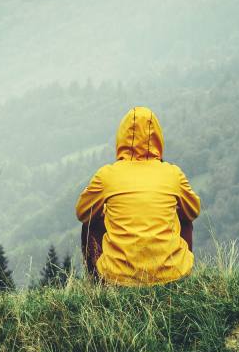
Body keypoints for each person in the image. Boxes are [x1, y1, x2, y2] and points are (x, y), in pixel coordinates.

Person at [76, 107, 201, 286]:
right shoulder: (173, 174)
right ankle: (181, 275)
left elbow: (82, 213)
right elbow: (193, 212)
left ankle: (99, 284)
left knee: (90, 222)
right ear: (158, 137)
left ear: (121, 137)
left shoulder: (107, 175)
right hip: (169, 277)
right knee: (185, 217)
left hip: (118, 278)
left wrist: (107, 211)